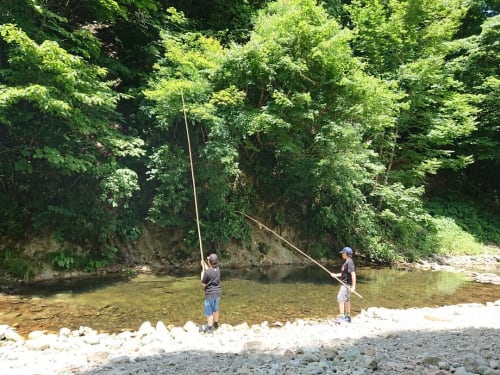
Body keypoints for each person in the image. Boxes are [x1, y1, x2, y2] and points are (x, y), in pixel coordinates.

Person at [330, 246, 356, 323]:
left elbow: (353, 274)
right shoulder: (347, 262)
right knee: (347, 300)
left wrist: (354, 286)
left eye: (343, 253)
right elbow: (343, 274)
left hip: (346, 285)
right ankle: (348, 317)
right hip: (346, 284)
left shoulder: (349, 262)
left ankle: (341, 317)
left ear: (345, 253)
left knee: (340, 298)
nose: (342, 254)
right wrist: (335, 275)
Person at [200, 253, 221, 333]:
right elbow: (210, 271)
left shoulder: (207, 272)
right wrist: (204, 265)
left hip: (210, 295)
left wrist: (202, 273)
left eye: (208, 260)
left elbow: (203, 283)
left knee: (209, 312)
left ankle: (209, 328)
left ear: (210, 262)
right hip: (217, 293)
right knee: (215, 309)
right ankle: (216, 324)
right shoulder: (218, 269)